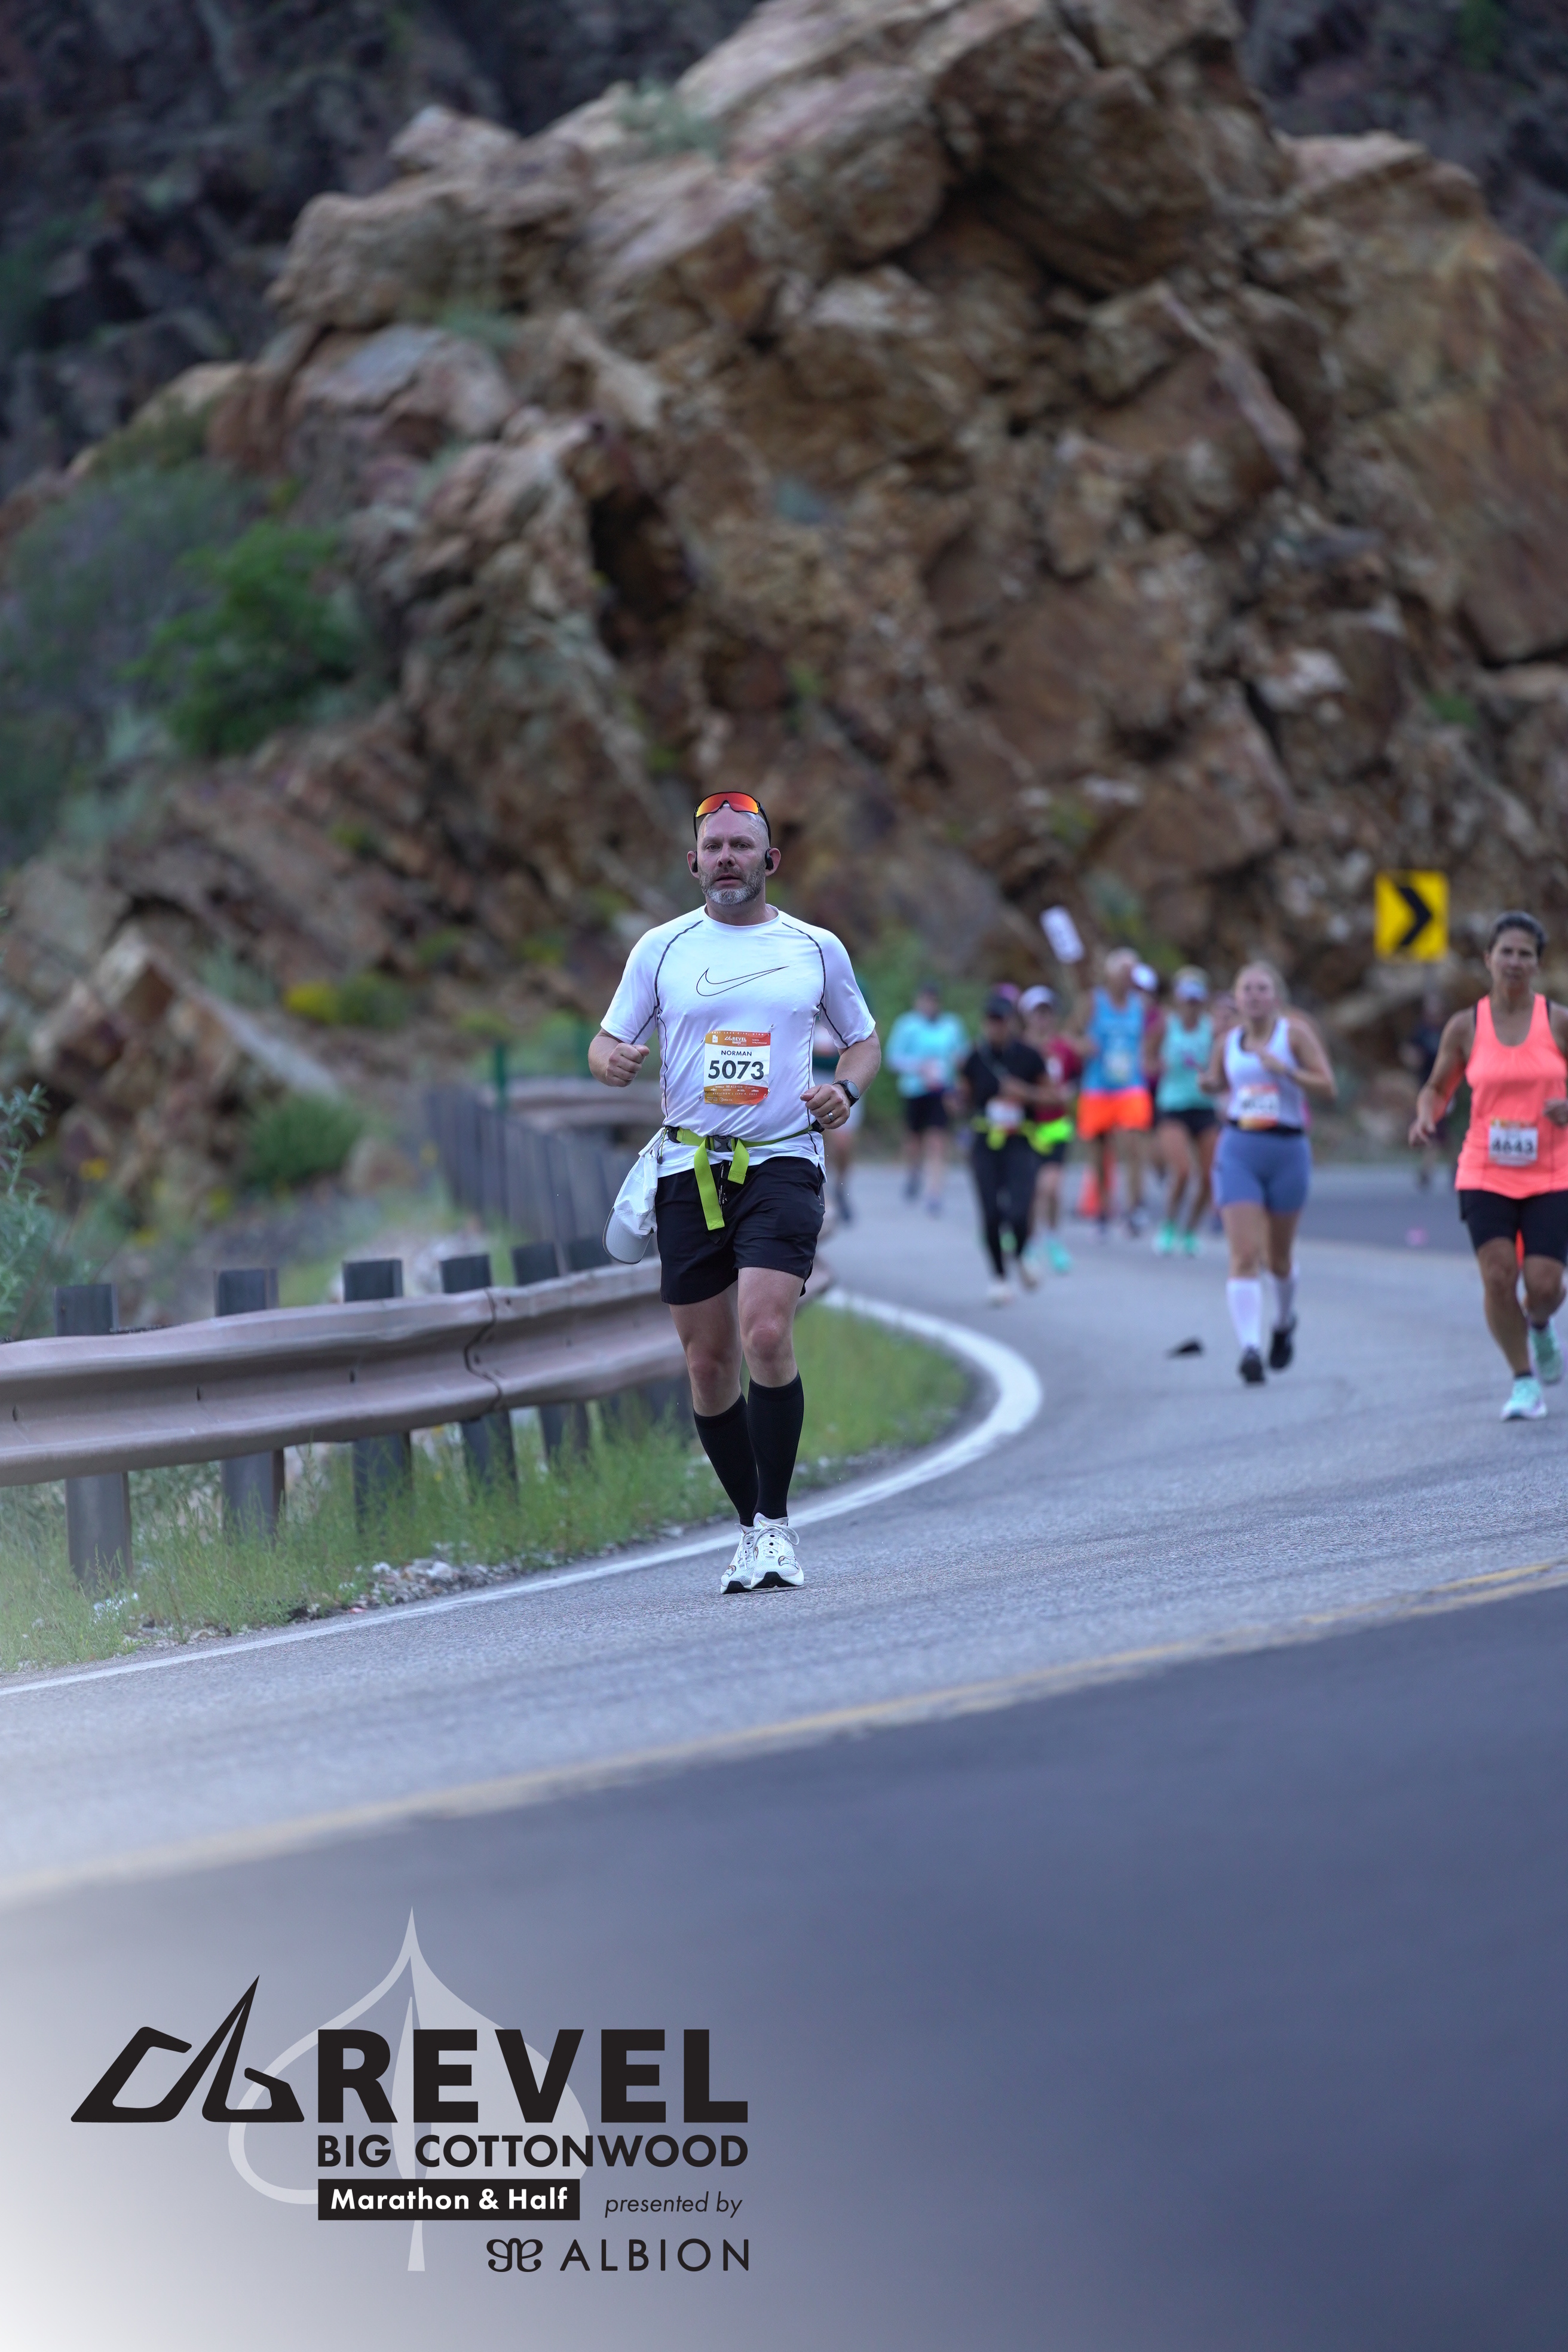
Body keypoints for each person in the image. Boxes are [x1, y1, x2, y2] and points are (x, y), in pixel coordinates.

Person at [589, 790, 880, 1591]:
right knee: (708, 1361)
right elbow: (607, 1040)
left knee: (764, 1333)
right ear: (693, 864)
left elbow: (862, 1041)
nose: (726, 858)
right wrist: (611, 1062)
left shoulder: (815, 947)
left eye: (741, 846)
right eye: (713, 847)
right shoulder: (661, 949)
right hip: (688, 1168)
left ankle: (777, 1526)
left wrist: (844, 1092)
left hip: (783, 1159)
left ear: (769, 860)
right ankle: (749, 1527)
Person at [1410, 912, 1568, 1421]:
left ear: (1537, 964)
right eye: (1507, 952)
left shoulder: (1558, 1022)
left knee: (1545, 1286)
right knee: (1499, 1276)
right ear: (1488, 959)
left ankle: (1539, 1325)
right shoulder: (1466, 1026)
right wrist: (1426, 1116)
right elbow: (1438, 1087)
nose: (1515, 962)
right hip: (1485, 1169)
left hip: (1551, 1171)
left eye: (1525, 954)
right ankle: (1523, 1381)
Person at [1203, 961, 1337, 1384]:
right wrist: (1208, 1084)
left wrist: (1287, 1071)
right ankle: (1249, 1349)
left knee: (1278, 1258)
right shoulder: (1227, 1042)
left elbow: (1328, 1087)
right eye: (1247, 989)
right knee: (1244, 1254)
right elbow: (1217, 1081)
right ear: (1236, 997)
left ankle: (1282, 1322)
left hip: (1287, 1149)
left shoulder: (1293, 1035)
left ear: (1276, 996)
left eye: (1262, 989)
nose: (1254, 996)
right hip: (1239, 1147)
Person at [959, 994, 1045, 1304]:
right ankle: (999, 1277)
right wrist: (954, 1099)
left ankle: (1021, 1253)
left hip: (1019, 1140)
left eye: (1002, 1020)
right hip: (986, 1142)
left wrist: (1026, 1093)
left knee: (1019, 1209)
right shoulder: (974, 1057)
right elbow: (964, 1099)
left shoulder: (1029, 1056)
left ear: (1012, 1022)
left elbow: (1055, 1097)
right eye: (991, 1021)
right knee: (991, 1212)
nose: (996, 1027)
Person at [1070, 948, 1154, 1236]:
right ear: (1110, 974)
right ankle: (1104, 1208)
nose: (1128, 978)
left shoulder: (1140, 1005)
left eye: (1132, 972)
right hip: (1098, 1087)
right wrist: (1082, 1046)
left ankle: (1135, 1207)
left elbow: (1148, 1040)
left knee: (1133, 1142)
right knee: (1100, 1152)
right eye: (1123, 972)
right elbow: (1069, 1034)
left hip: (1130, 1085)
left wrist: (1148, 1059)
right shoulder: (1093, 1002)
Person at [1149, 968, 1217, 1255]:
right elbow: (1145, 1058)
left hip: (1204, 1106)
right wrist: (1157, 1067)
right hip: (1173, 1106)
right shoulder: (1167, 1025)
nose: (1192, 1005)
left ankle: (1190, 1230)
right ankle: (1169, 1225)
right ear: (1178, 999)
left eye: (1196, 1000)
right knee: (1182, 1171)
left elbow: (1223, 1061)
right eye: (1187, 999)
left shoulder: (1212, 1028)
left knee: (1210, 1176)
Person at [886, 981, 966, 1214]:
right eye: (925, 1000)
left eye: (933, 1001)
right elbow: (893, 1059)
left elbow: (963, 1057)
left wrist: (958, 1081)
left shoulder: (951, 1025)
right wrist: (919, 1067)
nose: (929, 1005)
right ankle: (914, 1172)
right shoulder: (907, 1025)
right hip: (914, 1090)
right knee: (914, 1139)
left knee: (938, 1141)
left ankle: (934, 1193)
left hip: (942, 1091)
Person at [1019, 985, 1080, 1274]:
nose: (1042, 1019)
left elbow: (1077, 1076)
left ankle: (1053, 1238)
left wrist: (1069, 1092)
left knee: (1052, 1187)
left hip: (1056, 1125)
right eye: (1037, 1013)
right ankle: (1030, 1241)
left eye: (1047, 1013)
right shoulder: (1020, 1048)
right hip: (1028, 1126)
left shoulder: (1063, 1048)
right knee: (1033, 1189)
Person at [813, 1010, 860, 1226]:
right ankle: (823, 1195)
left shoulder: (858, 992)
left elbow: (868, 1033)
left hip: (845, 1076)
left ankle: (841, 1187)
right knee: (817, 1140)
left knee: (843, 1142)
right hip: (811, 1073)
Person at [1401, 985, 1450, 1190]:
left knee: (1439, 1129)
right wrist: (1411, 1057)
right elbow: (1409, 1050)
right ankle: (1446, 1166)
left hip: (1446, 1086)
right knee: (1437, 1129)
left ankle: (1428, 1169)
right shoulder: (1421, 1030)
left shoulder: (1448, 1030)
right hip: (1426, 1086)